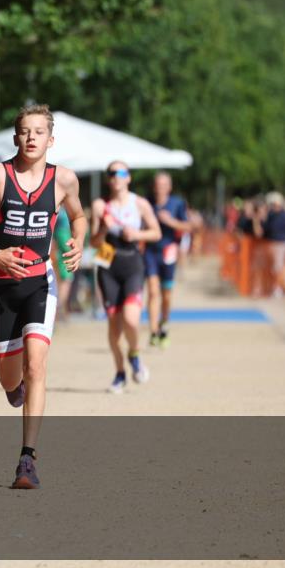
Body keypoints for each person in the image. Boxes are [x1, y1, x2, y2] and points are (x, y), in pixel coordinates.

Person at [0, 104, 86, 488]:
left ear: (50, 140)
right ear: (15, 137)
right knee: (11, 379)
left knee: (36, 365)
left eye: (39, 131)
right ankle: (14, 388)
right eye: (25, 131)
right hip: (2, 286)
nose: (32, 137)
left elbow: (79, 215)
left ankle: (27, 460)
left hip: (41, 281)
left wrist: (78, 241)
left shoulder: (64, 180)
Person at [90, 161, 161, 394]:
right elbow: (94, 242)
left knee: (131, 319)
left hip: (132, 262)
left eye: (121, 173)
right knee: (114, 326)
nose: (116, 177)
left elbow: (156, 232)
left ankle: (135, 354)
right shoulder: (101, 205)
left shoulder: (139, 203)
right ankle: (120, 373)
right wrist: (103, 228)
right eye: (111, 173)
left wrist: (137, 233)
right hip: (107, 260)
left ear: (128, 177)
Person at [144, 172, 191, 348]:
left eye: (164, 184)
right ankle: (154, 331)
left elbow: (188, 226)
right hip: (150, 252)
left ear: (169, 187)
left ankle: (164, 323)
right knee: (153, 291)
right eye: (158, 184)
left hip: (169, 252)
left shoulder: (177, 203)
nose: (160, 188)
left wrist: (170, 222)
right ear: (154, 186)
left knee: (166, 295)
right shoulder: (147, 203)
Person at [263, 192, 285, 298]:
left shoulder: (284, 215)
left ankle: (279, 287)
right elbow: (266, 228)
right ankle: (281, 286)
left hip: (281, 243)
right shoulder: (271, 215)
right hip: (272, 243)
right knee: (276, 267)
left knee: (279, 267)